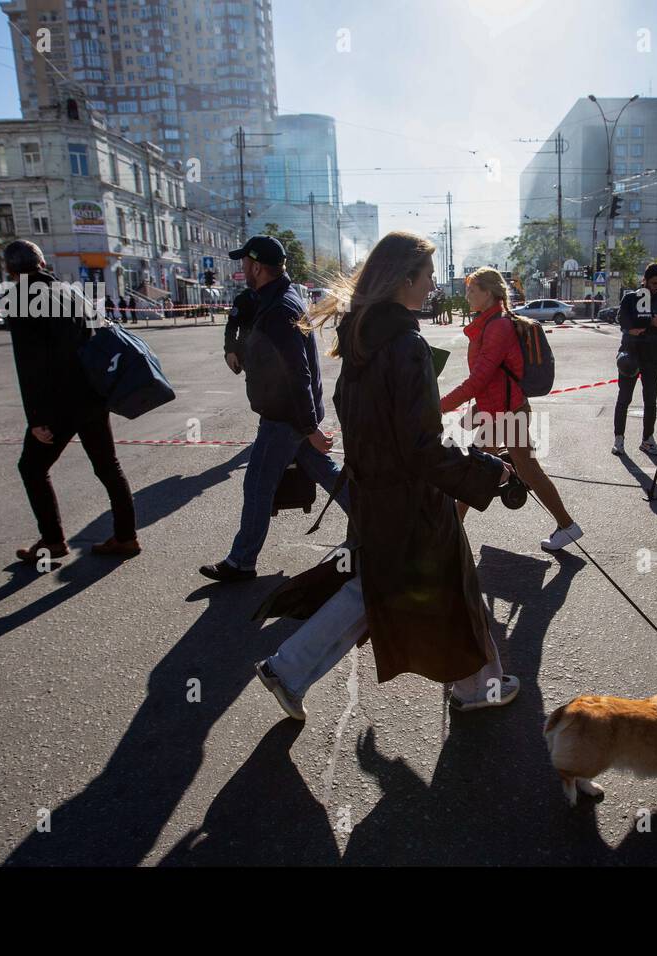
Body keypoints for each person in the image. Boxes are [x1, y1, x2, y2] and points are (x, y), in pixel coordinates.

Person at [253, 231, 520, 720]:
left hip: (375, 490)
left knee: (380, 586)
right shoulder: (405, 343)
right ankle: (479, 686)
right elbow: (422, 445)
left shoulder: (361, 335)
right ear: (405, 279)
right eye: (428, 276)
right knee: (438, 587)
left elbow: (382, 425)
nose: (433, 285)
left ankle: (289, 669)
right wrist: (489, 471)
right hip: (411, 499)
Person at [200, 235, 348, 582]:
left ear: (256, 267)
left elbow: (298, 373)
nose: (242, 269)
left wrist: (309, 428)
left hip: (286, 417)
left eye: (244, 264)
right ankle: (378, 527)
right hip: (293, 414)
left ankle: (241, 562)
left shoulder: (279, 308)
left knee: (257, 486)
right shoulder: (279, 296)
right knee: (327, 473)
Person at [1, 240, 138, 562]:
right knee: (109, 468)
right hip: (92, 397)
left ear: (9, 268)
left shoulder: (20, 299)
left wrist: (36, 417)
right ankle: (126, 537)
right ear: (41, 263)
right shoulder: (69, 292)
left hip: (58, 404)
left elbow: (30, 365)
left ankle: (52, 540)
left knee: (32, 468)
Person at [440, 267, 582, 552]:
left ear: (489, 293)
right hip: (497, 410)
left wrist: (437, 407)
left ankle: (567, 525)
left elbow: (478, 379)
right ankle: (451, 530)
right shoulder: (491, 323)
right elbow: (490, 381)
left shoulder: (498, 327)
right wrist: (474, 411)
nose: (466, 294)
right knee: (482, 469)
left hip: (506, 413)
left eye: (471, 289)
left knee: (522, 471)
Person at [612, 263, 657, 457]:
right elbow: (624, 322)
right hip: (630, 354)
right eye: (654, 283)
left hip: (653, 355)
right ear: (645, 280)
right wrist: (651, 322)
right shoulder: (631, 298)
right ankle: (619, 439)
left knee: (651, 400)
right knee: (624, 399)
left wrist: (651, 325)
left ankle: (647, 439)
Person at [222, 286, 256, 375]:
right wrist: (230, 351)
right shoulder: (243, 298)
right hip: (248, 352)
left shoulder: (275, 295)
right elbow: (231, 326)